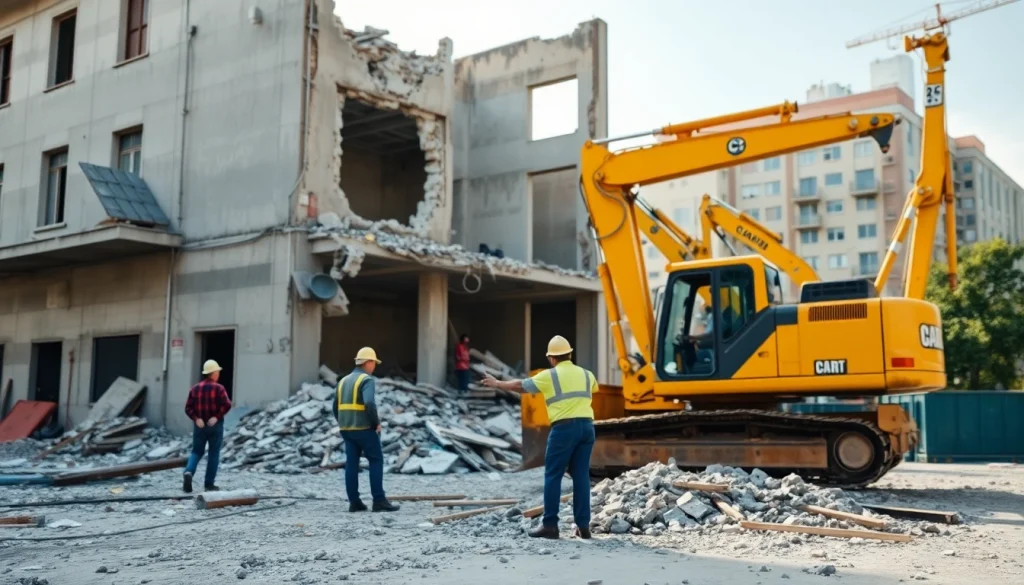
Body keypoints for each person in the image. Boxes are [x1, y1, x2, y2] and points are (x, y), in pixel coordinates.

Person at [482, 335, 595, 540]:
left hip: (564, 429)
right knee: (581, 476)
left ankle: (550, 525)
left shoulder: (549, 375)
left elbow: (521, 386)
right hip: (587, 428)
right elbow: (592, 390)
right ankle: (583, 526)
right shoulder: (587, 375)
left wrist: (498, 383)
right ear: (570, 354)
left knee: (553, 475)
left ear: (552, 358)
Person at [331, 347, 400, 513]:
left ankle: (354, 502)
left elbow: (335, 406)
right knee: (376, 460)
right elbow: (369, 403)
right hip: (364, 428)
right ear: (368, 362)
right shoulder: (366, 380)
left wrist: (343, 422)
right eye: (374, 363)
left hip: (346, 429)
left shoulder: (343, 381)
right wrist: (375, 423)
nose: (374, 366)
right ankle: (379, 500)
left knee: (352, 464)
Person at [183, 359, 232, 493]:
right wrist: (216, 417)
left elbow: (188, 408)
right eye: (217, 372)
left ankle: (188, 472)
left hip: (200, 425)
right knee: (213, 453)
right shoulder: (219, 388)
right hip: (214, 426)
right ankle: (209, 484)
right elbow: (227, 404)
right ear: (213, 373)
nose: (219, 374)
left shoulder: (195, 388)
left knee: (196, 451)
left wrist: (196, 418)